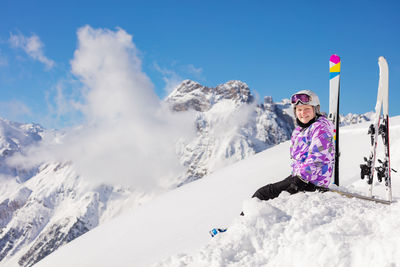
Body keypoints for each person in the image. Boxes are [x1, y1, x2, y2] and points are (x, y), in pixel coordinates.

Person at [252, 89, 335, 201]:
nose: (302, 113)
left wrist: (301, 180)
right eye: (299, 109)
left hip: (311, 182)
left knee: (262, 194)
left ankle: (245, 219)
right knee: (265, 194)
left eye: (307, 109)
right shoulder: (300, 130)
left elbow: (318, 158)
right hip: (301, 178)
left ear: (315, 109)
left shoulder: (320, 128)